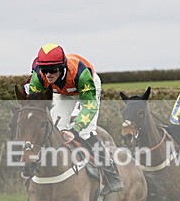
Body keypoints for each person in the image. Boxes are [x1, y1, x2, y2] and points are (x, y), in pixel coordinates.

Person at [27, 43, 123, 192]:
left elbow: (89, 106)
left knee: (85, 132)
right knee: (58, 130)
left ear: (62, 67)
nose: (48, 75)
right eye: (44, 70)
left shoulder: (81, 74)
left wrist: (76, 130)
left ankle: (111, 174)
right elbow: (35, 106)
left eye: (52, 70)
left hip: (86, 91)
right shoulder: (38, 76)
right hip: (62, 92)